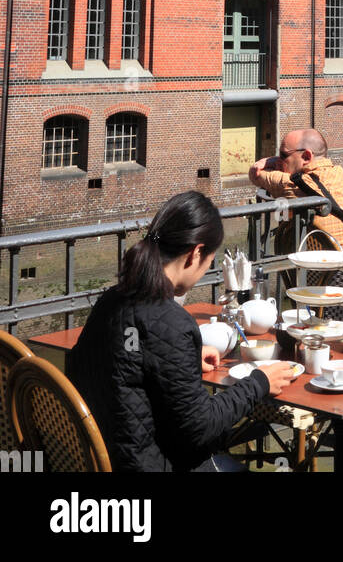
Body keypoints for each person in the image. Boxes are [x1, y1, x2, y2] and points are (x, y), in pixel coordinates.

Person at [67, 191, 298, 472]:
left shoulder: (112, 300)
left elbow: (123, 360)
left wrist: (183, 356)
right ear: (196, 253)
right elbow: (199, 427)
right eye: (208, 261)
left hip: (97, 456)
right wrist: (259, 382)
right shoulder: (171, 321)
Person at [248, 127, 343, 248]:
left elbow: (255, 174)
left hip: (326, 268)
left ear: (306, 157)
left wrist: (266, 162)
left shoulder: (292, 185)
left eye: (283, 155)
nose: (279, 161)